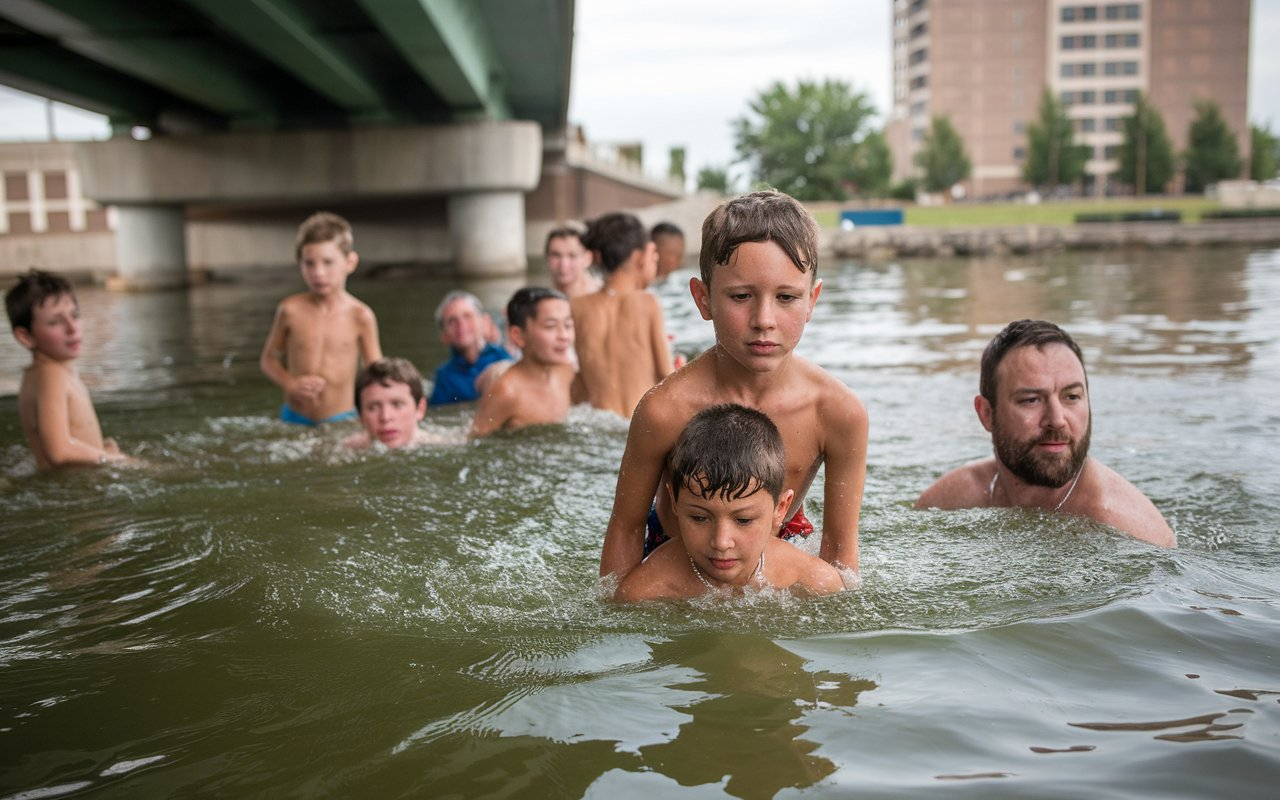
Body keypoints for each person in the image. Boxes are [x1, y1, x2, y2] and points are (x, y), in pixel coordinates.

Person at [599, 190, 869, 579]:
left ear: (812, 300)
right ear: (703, 298)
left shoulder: (837, 412)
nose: (764, 319)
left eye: (787, 298)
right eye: (741, 296)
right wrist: (617, 616)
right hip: (673, 549)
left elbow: (841, 555)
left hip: (781, 540)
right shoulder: (665, 410)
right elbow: (625, 527)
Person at [915, 319, 1176, 547]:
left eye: (1072, 397)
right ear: (986, 414)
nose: (1057, 420)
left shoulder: (1128, 531)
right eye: (1031, 400)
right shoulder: (951, 501)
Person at [614, 404, 844, 601]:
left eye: (743, 520)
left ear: (781, 508)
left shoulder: (814, 581)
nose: (721, 542)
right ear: (674, 503)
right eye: (699, 518)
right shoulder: (645, 592)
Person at [259, 211, 382, 425]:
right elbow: (268, 360)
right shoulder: (290, 310)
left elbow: (375, 372)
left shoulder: (360, 316)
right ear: (300, 264)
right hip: (294, 418)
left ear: (349, 263)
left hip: (342, 420)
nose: (319, 273)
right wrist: (290, 383)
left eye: (328, 262)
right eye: (309, 263)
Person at [5, 269, 130, 469]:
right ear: (25, 336)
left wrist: (100, 450)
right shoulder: (51, 375)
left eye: (75, 315)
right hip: (75, 490)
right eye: (55, 322)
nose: (72, 327)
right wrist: (114, 459)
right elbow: (60, 451)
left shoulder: (44, 373)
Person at [571, 212, 674, 418]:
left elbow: (579, 382)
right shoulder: (647, 302)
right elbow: (666, 377)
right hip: (637, 425)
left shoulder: (576, 306)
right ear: (638, 258)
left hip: (597, 423)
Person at [470, 287, 576, 437]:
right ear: (518, 336)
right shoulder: (507, 392)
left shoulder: (566, 370)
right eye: (551, 326)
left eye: (568, 325)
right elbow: (475, 442)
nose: (564, 336)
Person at [427, 290, 513, 406]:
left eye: (467, 316)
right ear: (444, 336)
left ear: (485, 322)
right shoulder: (444, 378)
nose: (460, 324)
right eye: (452, 320)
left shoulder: (507, 361)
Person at [345, 357, 438, 449]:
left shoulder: (440, 446)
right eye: (373, 407)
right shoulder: (347, 450)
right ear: (360, 415)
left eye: (397, 404)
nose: (385, 417)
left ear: (420, 409)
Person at [545, 226, 601, 299]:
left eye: (572, 256)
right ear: (547, 258)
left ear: (588, 259)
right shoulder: (539, 301)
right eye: (556, 255)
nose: (563, 264)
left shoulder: (602, 298)